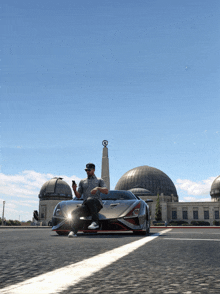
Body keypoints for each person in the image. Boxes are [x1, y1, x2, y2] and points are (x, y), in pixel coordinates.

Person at [68, 163, 108, 238]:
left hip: (97, 204)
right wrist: (74, 190)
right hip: (86, 205)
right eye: (86, 170)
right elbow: (78, 195)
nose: (87, 172)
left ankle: (95, 222)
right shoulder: (82, 181)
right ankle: (73, 231)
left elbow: (106, 191)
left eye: (89, 170)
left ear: (94, 170)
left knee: (90, 199)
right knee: (74, 212)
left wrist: (98, 188)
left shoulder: (99, 180)